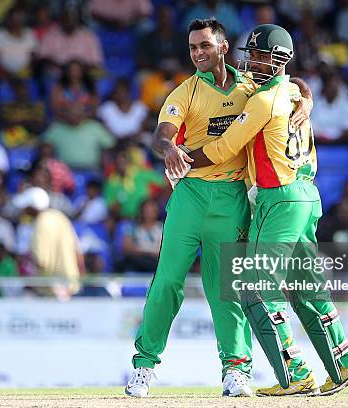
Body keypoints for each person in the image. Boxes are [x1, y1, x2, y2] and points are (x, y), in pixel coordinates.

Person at [125, 18, 313, 398]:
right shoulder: (185, 92)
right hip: (191, 196)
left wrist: (306, 99)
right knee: (167, 282)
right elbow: (161, 135)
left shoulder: (250, 85)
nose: (198, 54)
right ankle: (144, 367)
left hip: (232, 199)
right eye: (193, 48)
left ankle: (236, 370)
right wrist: (170, 148)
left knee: (226, 290)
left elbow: (291, 82)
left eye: (205, 46)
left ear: (223, 48)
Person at [187, 24, 348, 396]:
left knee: (255, 287)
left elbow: (223, 149)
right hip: (307, 196)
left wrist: (183, 159)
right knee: (305, 287)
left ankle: (295, 373)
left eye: (257, 56)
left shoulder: (263, 100)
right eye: (249, 55)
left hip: (280, 198)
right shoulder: (288, 91)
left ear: (279, 59)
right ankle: (345, 360)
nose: (250, 62)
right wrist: (307, 95)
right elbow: (299, 84)